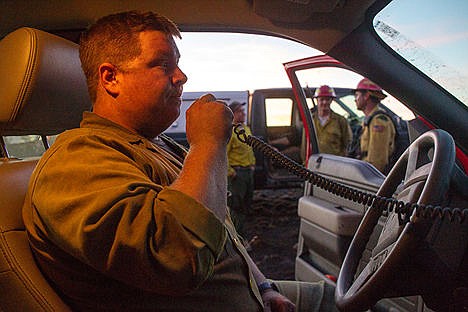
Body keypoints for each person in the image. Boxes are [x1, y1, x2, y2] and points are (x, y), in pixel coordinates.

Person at [22, 11, 337, 312]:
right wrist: (209, 142)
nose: (181, 76)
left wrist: (264, 286)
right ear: (111, 78)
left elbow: (221, 229)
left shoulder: (155, 145)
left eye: (178, 64)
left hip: (255, 296)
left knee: (342, 298)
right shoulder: (76, 160)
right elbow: (177, 258)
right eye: (162, 64)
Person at [352, 78, 395, 173]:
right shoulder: (369, 119)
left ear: (366, 96)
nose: (355, 99)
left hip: (369, 177)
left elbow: (377, 161)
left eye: (357, 95)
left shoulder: (378, 121)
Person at [227, 101, 256, 239]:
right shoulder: (229, 132)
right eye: (240, 111)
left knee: (246, 205)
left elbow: (249, 149)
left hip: (248, 172)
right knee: (236, 208)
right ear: (233, 114)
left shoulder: (245, 129)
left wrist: (252, 165)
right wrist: (231, 172)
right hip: (237, 175)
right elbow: (222, 155)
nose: (244, 114)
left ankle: (242, 235)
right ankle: (236, 238)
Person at [311, 85, 352, 156]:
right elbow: (304, 145)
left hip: (334, 163)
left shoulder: (341, 121)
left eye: (327, 99)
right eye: (322, 99)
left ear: (331, 100)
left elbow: (347, 143)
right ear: (317, 100)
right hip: (314, 162)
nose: (324, 102)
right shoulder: (310, 120)